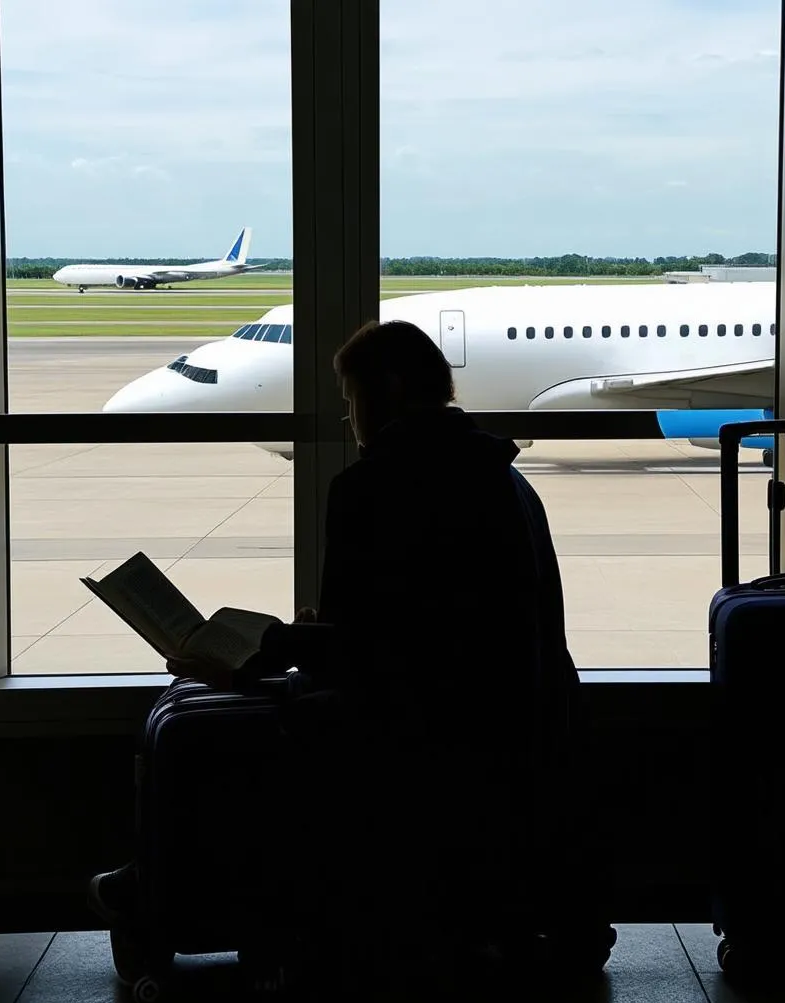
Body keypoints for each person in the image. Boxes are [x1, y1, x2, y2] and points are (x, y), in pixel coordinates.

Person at [88, 319, 585, 964]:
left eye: (351, 398)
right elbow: (434, 625)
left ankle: (162, 890)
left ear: (390, 391)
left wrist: (250, 655)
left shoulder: (372, 487)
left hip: (422, 729)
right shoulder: (507, 480)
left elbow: (366, 656)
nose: (349, 417)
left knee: (208, 730)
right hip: (515, 723)